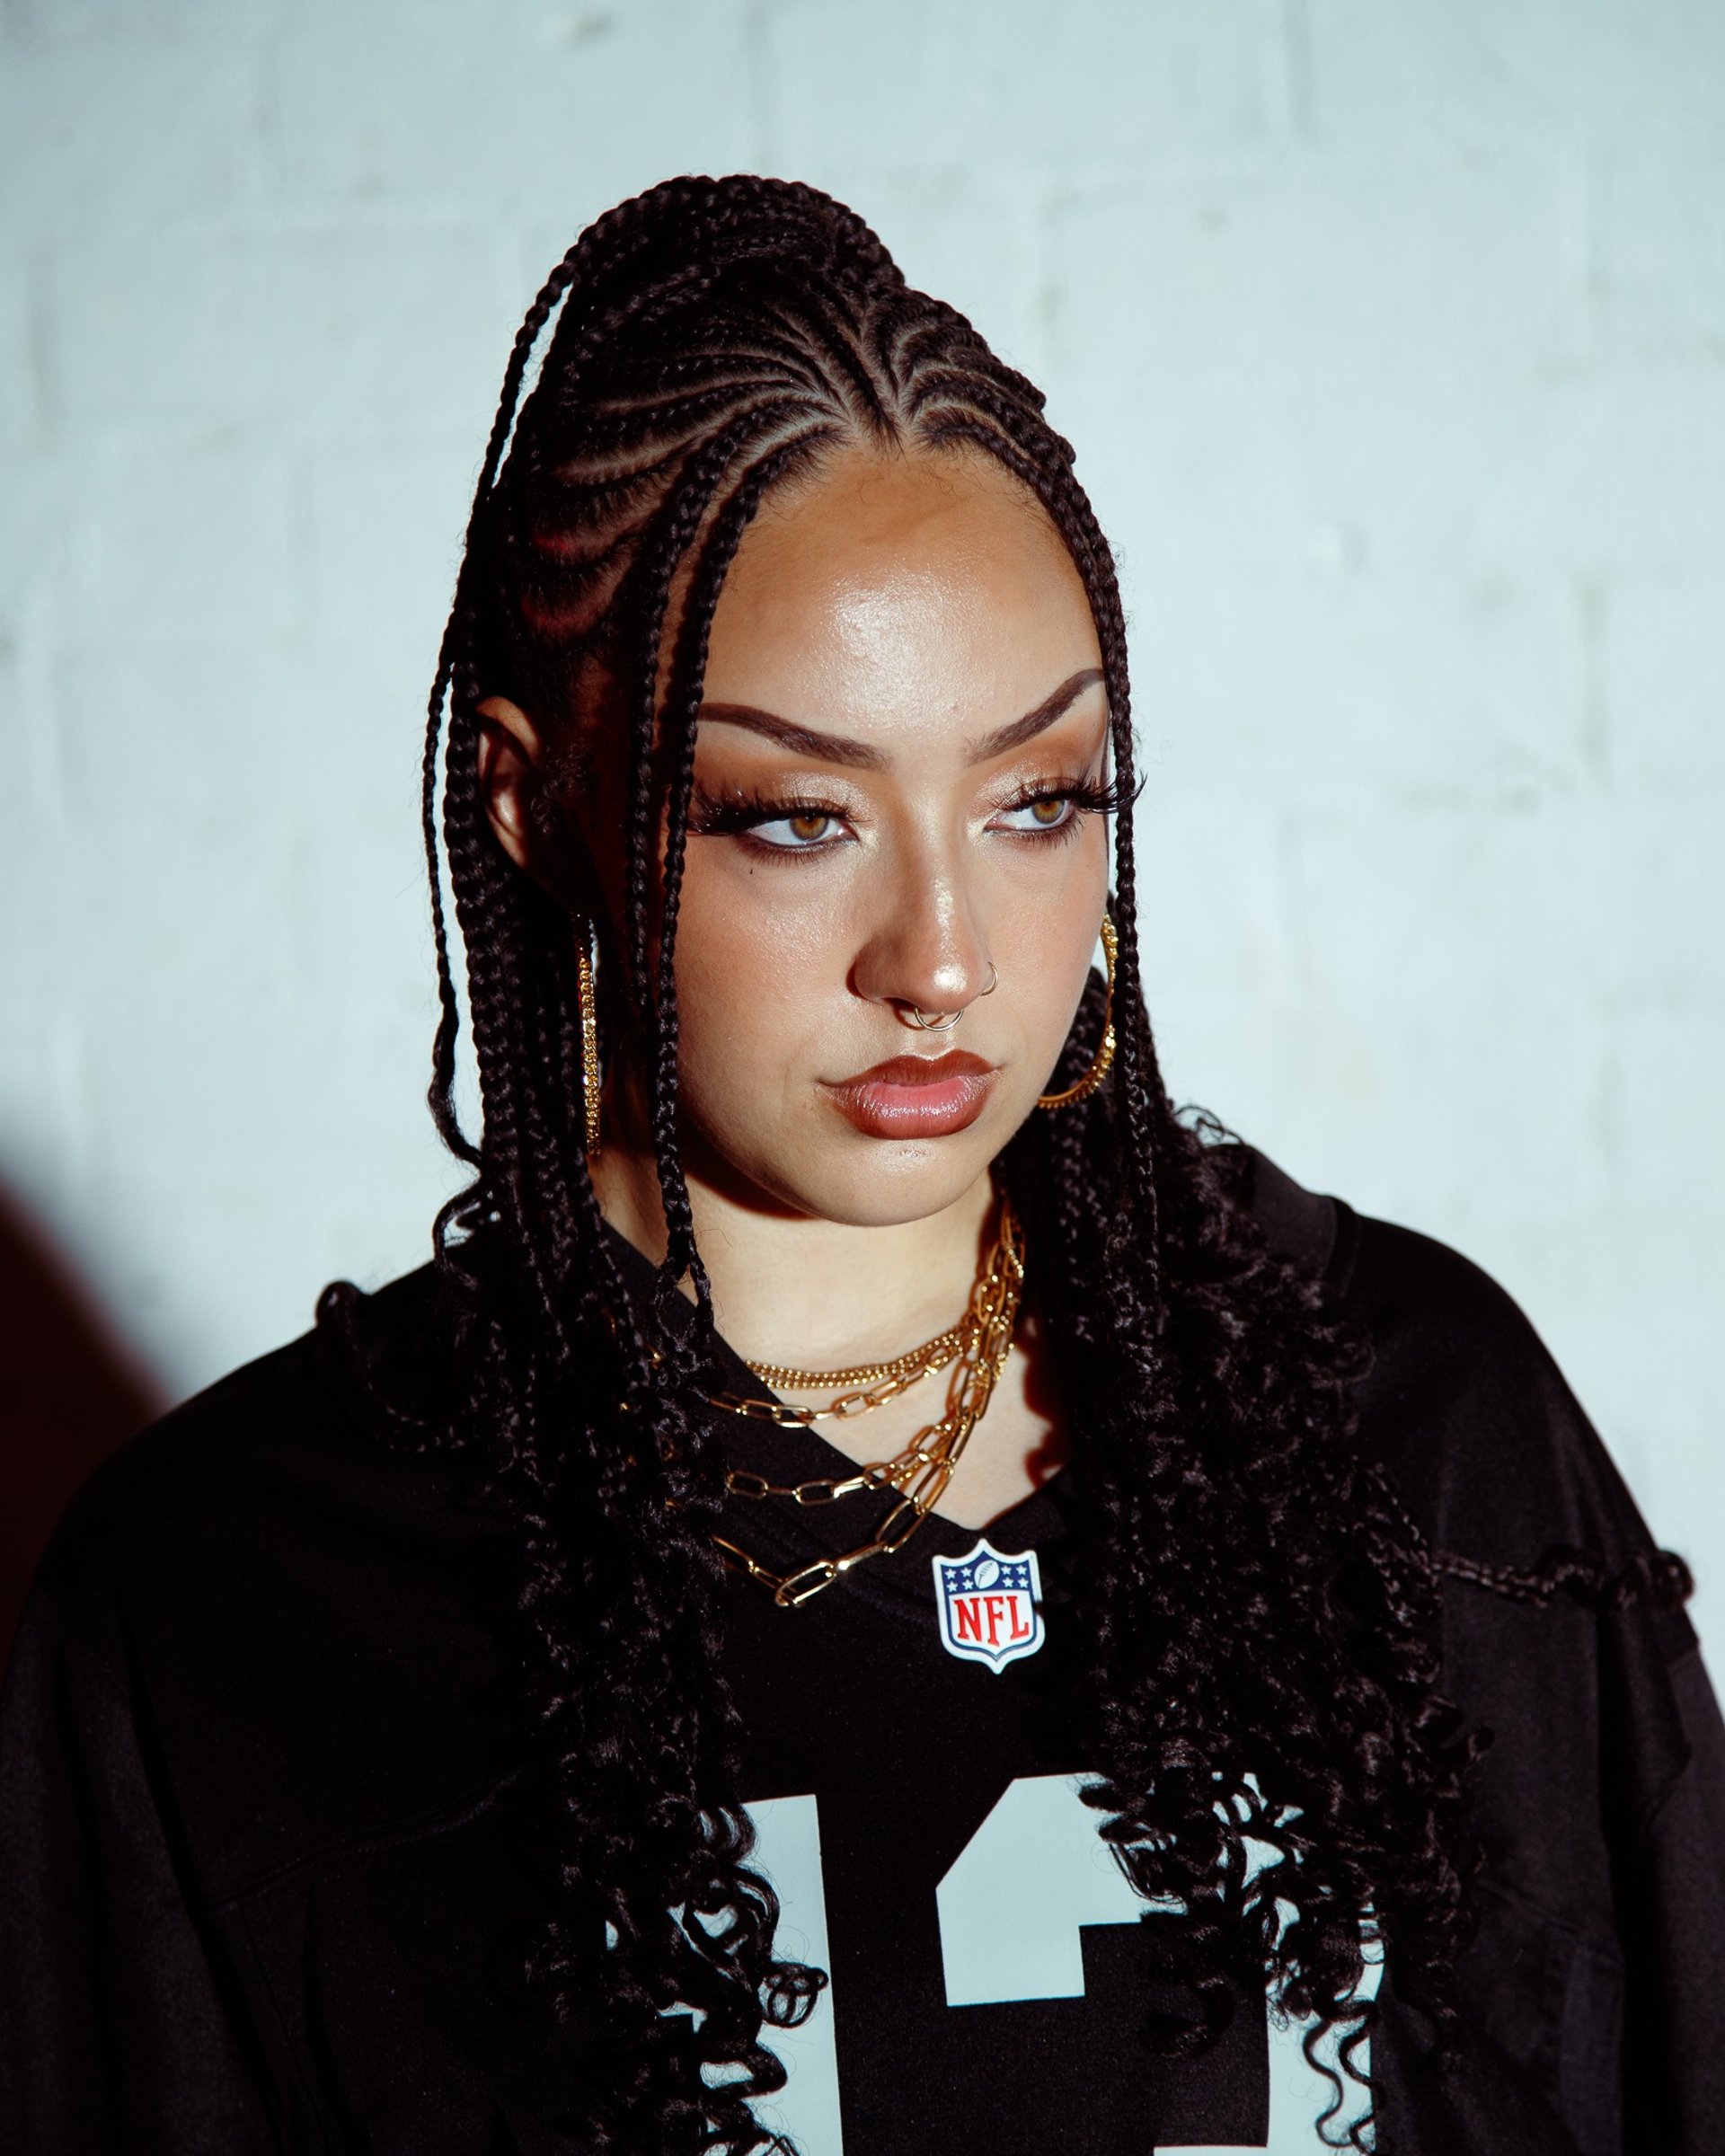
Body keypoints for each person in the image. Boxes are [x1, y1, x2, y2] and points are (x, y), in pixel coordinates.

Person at [1, 174, 1720, 2156]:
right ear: (532, 800)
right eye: (794, 818)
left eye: (1041, 797)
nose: (946, 960)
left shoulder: (1410, 1423)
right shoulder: (237, 1598)